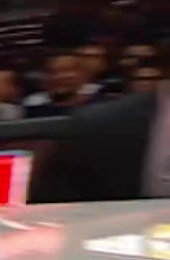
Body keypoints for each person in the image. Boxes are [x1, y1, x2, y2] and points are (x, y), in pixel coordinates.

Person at [31, 40, 168, 203]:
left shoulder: (102, 103)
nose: (62, 76)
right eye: (55, 72)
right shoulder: (97, 124)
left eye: (68, 71)